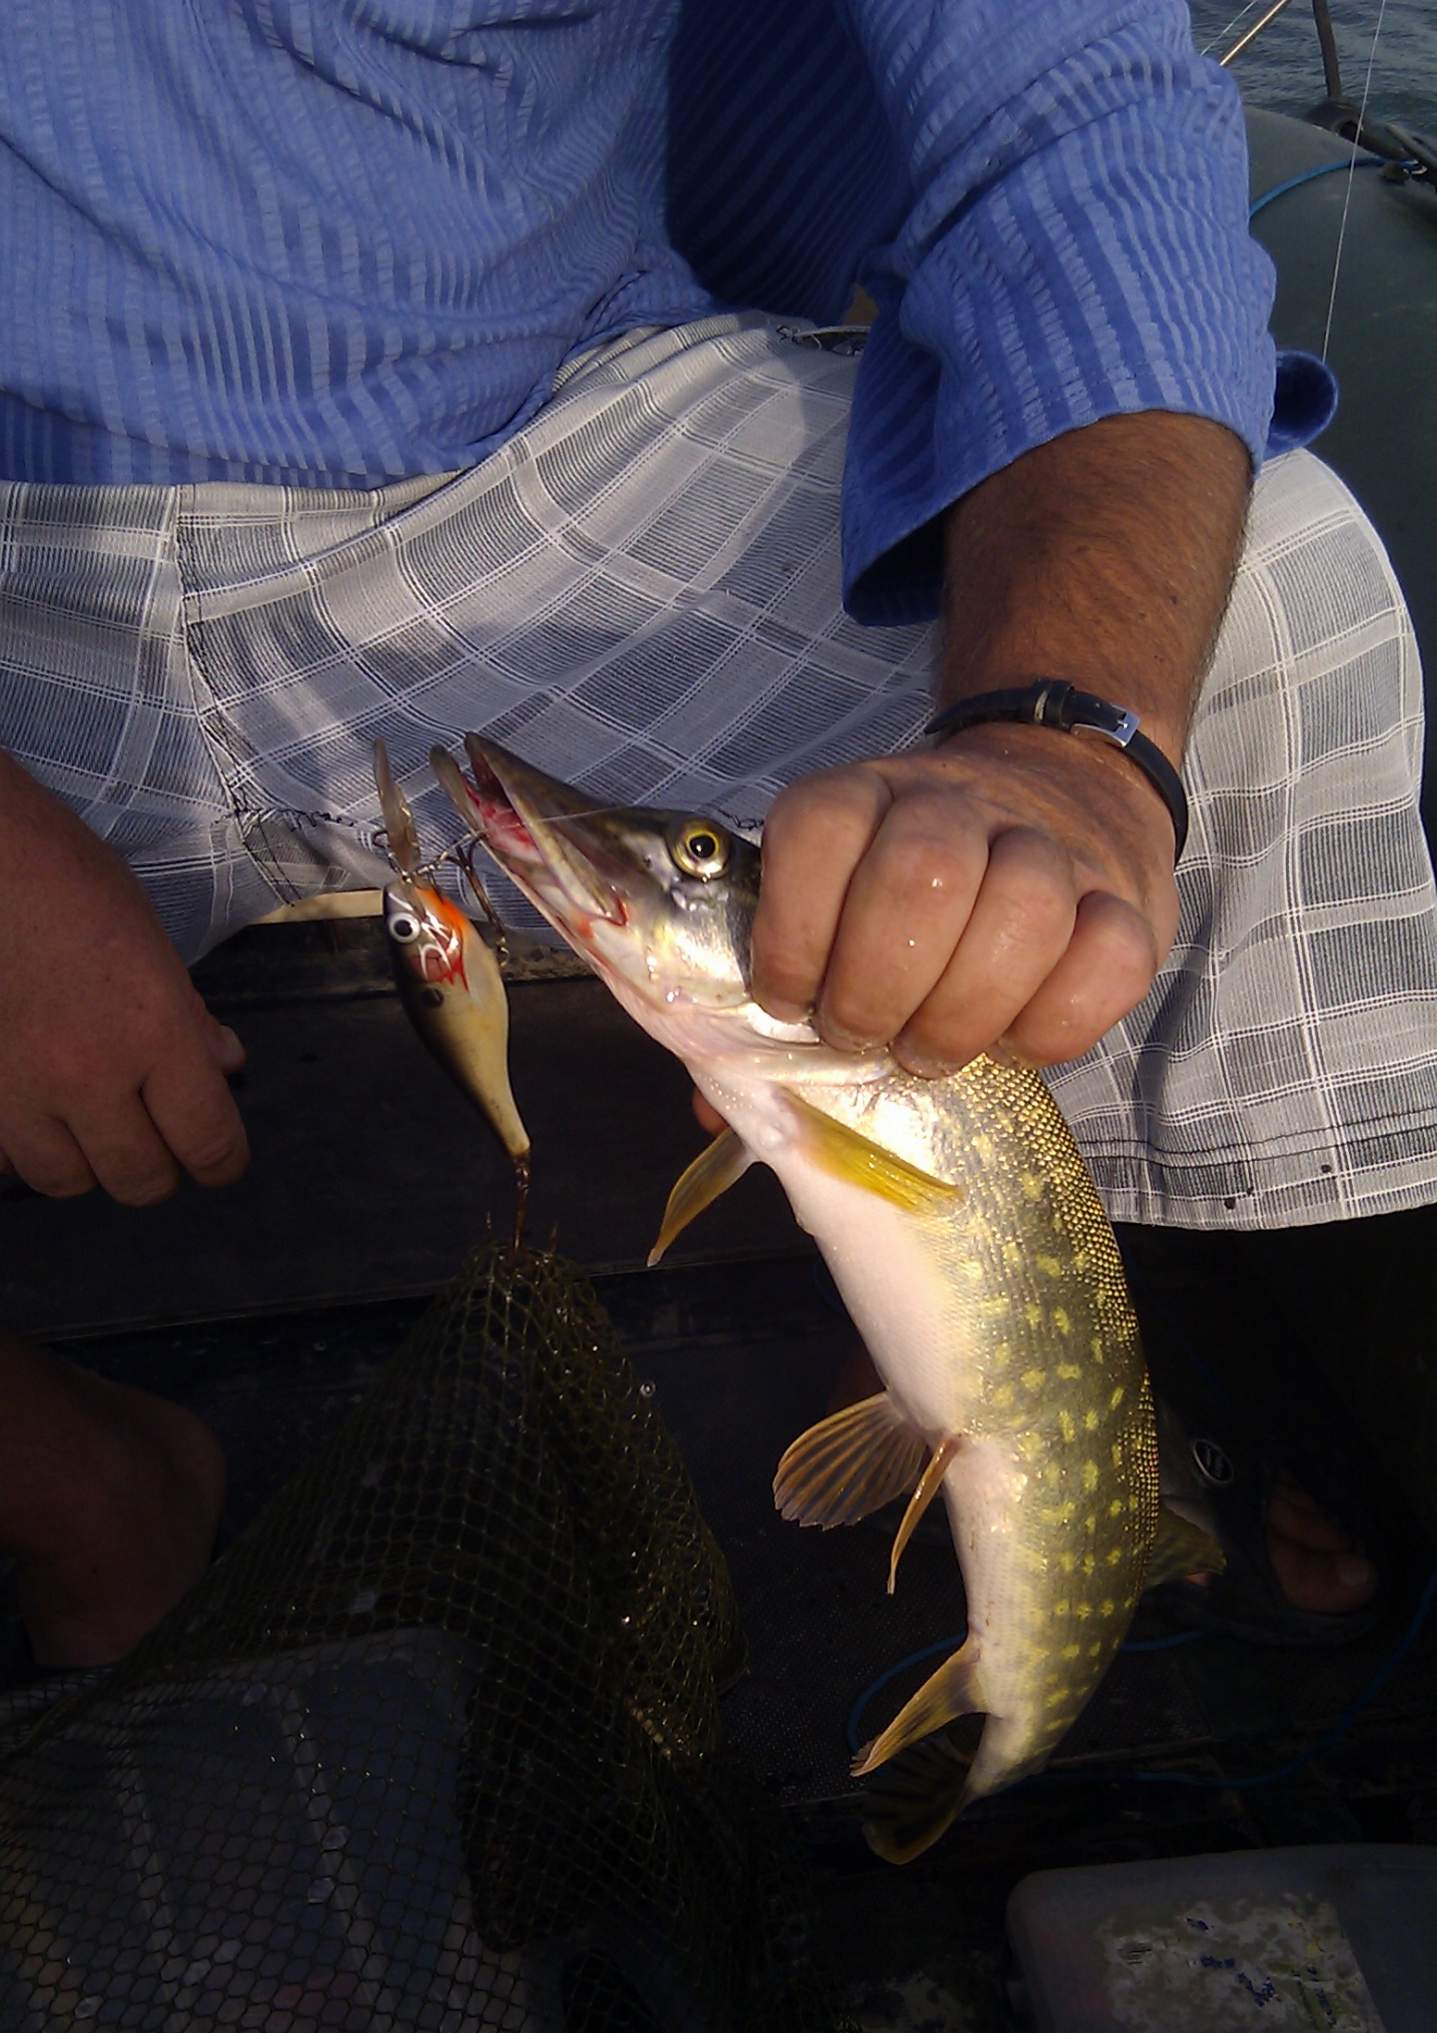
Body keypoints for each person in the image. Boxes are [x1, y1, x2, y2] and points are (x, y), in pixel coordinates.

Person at [1, 1, 1433, 1669]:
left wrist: (1069, 744)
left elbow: (1077, 111)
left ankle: (981, 1375)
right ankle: (73, 1486)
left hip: (511, 441)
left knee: (1270, 600)